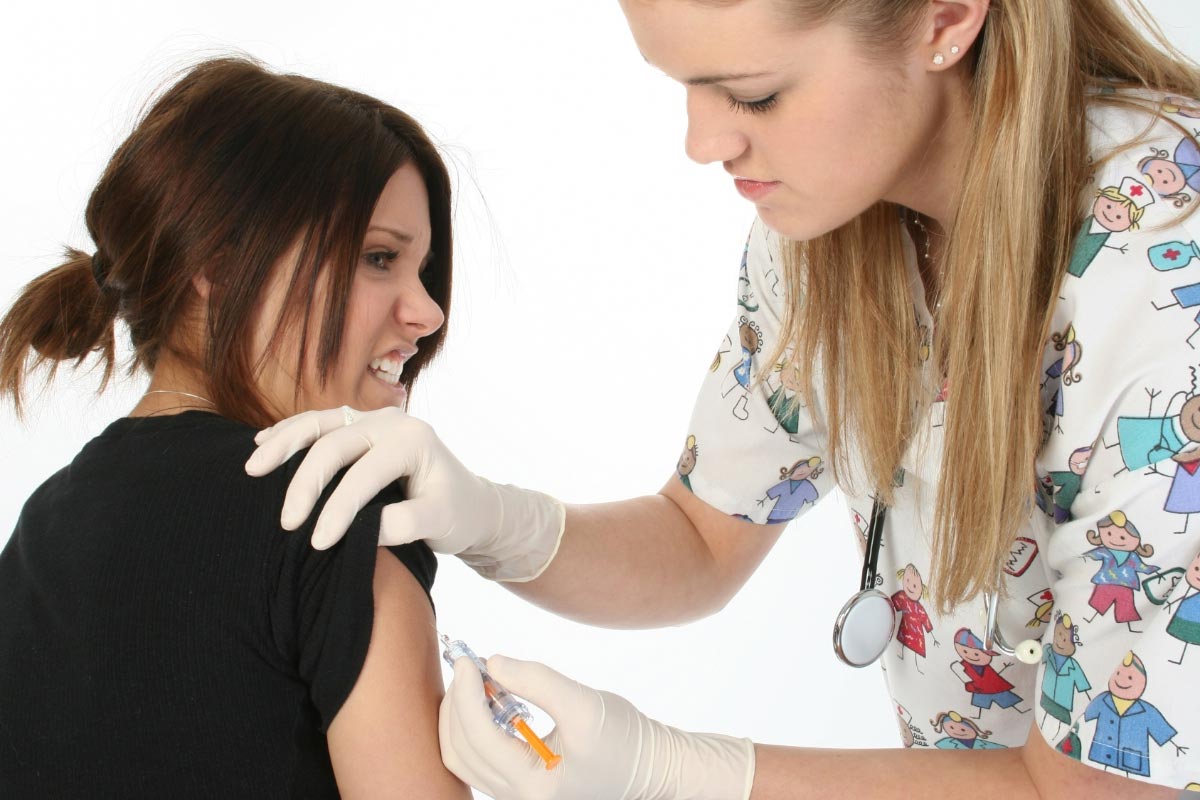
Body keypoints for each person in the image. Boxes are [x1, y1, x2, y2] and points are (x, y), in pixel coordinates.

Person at [246, 0, 1200, 797]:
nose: (704, 142)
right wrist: (494, 522)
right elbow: (701, 537)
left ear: (944, 20)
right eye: (685, 87)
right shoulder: (825, 232)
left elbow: (1102, 790)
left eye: (754, 94)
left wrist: (677, 773)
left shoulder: (1166, 259)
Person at [0, 57, 467, 798]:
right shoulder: (332, 517)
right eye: (379, 257)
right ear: (218, 263)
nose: (428, 312)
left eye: (422, 268)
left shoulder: (40, 530)